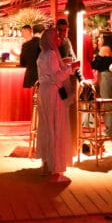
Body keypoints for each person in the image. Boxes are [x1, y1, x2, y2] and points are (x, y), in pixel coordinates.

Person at [36, 27, 77, 182]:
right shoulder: (52, 54)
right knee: (56, 126)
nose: (59, 39)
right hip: (53, 92)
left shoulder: (42, 54)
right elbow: (56, 77)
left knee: (46, 126)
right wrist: (71, 68)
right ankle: (56, 169)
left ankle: (46, 164)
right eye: (56, 37)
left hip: (44, 91)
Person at [90, 31, 112, 137]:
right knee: (104, 102)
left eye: (100, 38)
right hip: (104, 76)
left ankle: (109, 130)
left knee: (107, 103)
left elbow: (96, 64)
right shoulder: (106, 49)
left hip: (105, 76)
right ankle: (107, 128)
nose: (98, 40)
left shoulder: (104, 48)